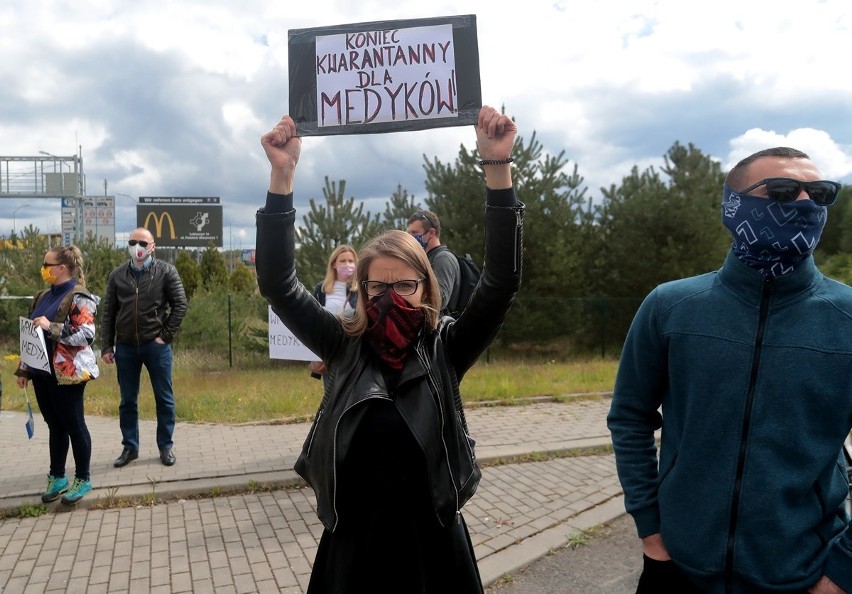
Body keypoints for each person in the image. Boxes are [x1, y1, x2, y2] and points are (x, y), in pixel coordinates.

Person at [256, 104, 523, 593]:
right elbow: (277, 281)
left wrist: (497, 168)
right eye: (378, 287)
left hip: (433, 545)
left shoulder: (444, 348)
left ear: (425, 287)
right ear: (360, 288)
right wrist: (282, 175)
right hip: (355, 546)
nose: (390, 298)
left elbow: (501, 283)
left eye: (404, 286)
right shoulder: (342, 344)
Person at [607, 147, 852, 594]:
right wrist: (651, 532)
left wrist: (842, 573)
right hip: (678, 567)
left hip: (806, 574)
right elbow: (629, 417)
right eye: (781, 191)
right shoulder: (670, 306)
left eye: (819, 193)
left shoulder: (847, 318)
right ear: (733, 205)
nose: (804, 203)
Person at [15, 245, 99, 505]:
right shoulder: (42, 296)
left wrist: (50, 326)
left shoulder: (80, 296)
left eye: (46, 264)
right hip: (42, 374)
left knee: (75, 426)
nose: (43, 269)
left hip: (68, 374)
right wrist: (24, 369)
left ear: (61, 268)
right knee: (55, 426)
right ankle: (57, 476)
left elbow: (86, 334)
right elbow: (31, 335)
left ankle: (83, 479)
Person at [100, 227, 188, 468]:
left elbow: (180, 304)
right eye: (132, 242)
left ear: (152, 246)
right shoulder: (117, 275)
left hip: (156, 346)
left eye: (142, 242)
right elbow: (109, 312)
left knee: (165, 399)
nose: (137, 246)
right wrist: (106, 346)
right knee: (127, 400)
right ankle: (130, 448)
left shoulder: (166, 271)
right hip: (126, 347)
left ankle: (165, 446)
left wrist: (165, 336)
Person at [308, 244, 358, 391]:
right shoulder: (321, 290)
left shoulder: (360, 289)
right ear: (334, 264)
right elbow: (313, 320)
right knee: (330, 398)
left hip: (350, 352)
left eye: (350, 261)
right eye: (342, 261)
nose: (347, 264)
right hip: (328, 353)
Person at [407, 209, 460, 313]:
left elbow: (440, 301)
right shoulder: (430, 258)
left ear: (431, 233)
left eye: (414, 233)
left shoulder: (443, 258)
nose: (411, 238)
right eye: (409, 233)